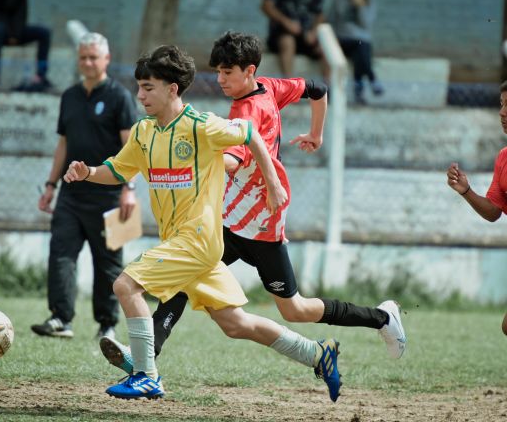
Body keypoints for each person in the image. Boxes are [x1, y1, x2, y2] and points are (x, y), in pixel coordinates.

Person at [98, 31, 406, 379]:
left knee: (295, 309)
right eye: (218, 71)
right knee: (184, 275)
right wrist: (316, 134)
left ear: (249, 70)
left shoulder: (247, 109)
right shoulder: (270, 86)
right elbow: (318, 89)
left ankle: (381, 318)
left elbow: (230, 160)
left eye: (228, 72)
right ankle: (147, 355)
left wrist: (187, 157)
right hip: (231, 218)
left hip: (259, 221)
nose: (220, 80)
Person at [64, 44, 343, 402]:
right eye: (139, 87)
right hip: (189, 245)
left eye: (148, 87)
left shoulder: (200, 125)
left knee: (125, 286)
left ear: (172, 89)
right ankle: (319, 355)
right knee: (235, 324)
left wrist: (273, 182)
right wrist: (88, 172)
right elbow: (118, 170)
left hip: (196, 240)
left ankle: (146, 375)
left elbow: (249, 134)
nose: (140, 94)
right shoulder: (144, 132)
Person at [30, 32, 138, 340]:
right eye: (83, 57)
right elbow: (63, 144)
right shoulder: (69, 96)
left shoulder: (120, 97)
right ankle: (60, 319)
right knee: (61, 254)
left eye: (94, 57)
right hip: (70, 195)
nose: (88, 62)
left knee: (108, 263)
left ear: (107, 59)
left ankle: (107, 325)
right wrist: (51, 184)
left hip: (109, 195)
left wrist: (129, 187)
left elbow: (131, 148)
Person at [446, 81, 507, 336]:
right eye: (502, 104)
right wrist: (467, 191)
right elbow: (494, 210)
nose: (502, 113)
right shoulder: (504, 157)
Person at [325, 0, 383, 104]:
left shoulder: (369, 0)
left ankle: (360, 87)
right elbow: (331, 20)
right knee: (360, 51)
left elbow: (366, 23)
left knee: (360, 50)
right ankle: (371, 79)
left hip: (361, 40)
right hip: (342, 38)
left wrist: (360, 7)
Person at [261, 0, 325, 77]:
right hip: (283, 33)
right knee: (287, 42)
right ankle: (289, 84)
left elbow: (320, 15)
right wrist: (286, 22)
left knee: (325, 48)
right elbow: (266, 6)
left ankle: (329, 85)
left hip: (307, 36)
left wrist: (313, 32)